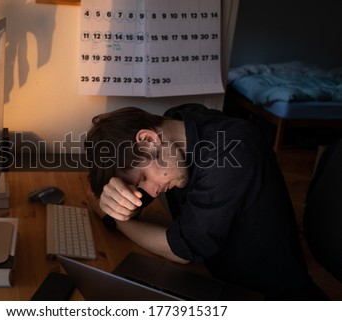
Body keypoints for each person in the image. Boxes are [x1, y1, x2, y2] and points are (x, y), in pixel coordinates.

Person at [84, 103, 328, 300]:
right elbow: (140, 194)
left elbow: (181, 251)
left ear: (148, 140)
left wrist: (118, 221)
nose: (151, 192)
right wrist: (118, 201)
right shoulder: (177, 123)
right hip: (214, 276)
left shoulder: (231, 152)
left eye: (144, 178)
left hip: (269, 297)